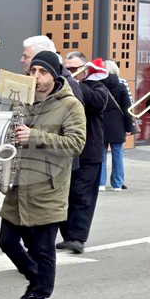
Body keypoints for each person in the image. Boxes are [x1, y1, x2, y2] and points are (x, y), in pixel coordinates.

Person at [0, 51, 85, 299]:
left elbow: (76, 144)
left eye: (42, 72)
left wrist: (35, 136)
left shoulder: (70, 105)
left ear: (54, 75)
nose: (35, 76)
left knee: (43, 249)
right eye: (33, 70)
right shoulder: (23, 100)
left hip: (48, 186)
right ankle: (36, 279)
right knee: (7, 241)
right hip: (19, 183)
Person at [58, 53, 108, 254]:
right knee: (66, 195)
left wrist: (71, 83)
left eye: (74, 69)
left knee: (83, 196)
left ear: (85, 69)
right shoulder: (63, 87)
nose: (71, 73)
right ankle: (68, 235)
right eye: (67, 69)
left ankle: (78, 238)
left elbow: (98, 102)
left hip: (89, 152)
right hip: (67, 150)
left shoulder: (97, 87)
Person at [99, 59, 133, 191]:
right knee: (118, 154)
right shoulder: (121, 85)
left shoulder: (97, 85)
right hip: (117, 125)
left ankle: (100, 183)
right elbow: (127, 108)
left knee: (101, 154)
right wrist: (128, 127)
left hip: (100, 124)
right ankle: (117, 184)